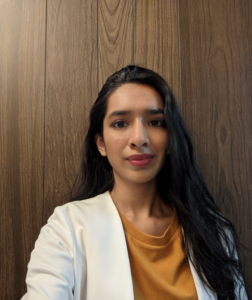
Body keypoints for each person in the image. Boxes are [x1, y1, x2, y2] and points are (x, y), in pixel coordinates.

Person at [22, 65, 248, 300]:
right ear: (101, 143)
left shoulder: (214, 231)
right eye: (120, 123)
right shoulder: (66, 228)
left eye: (156, 122)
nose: (139, 138)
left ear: (170, 138)